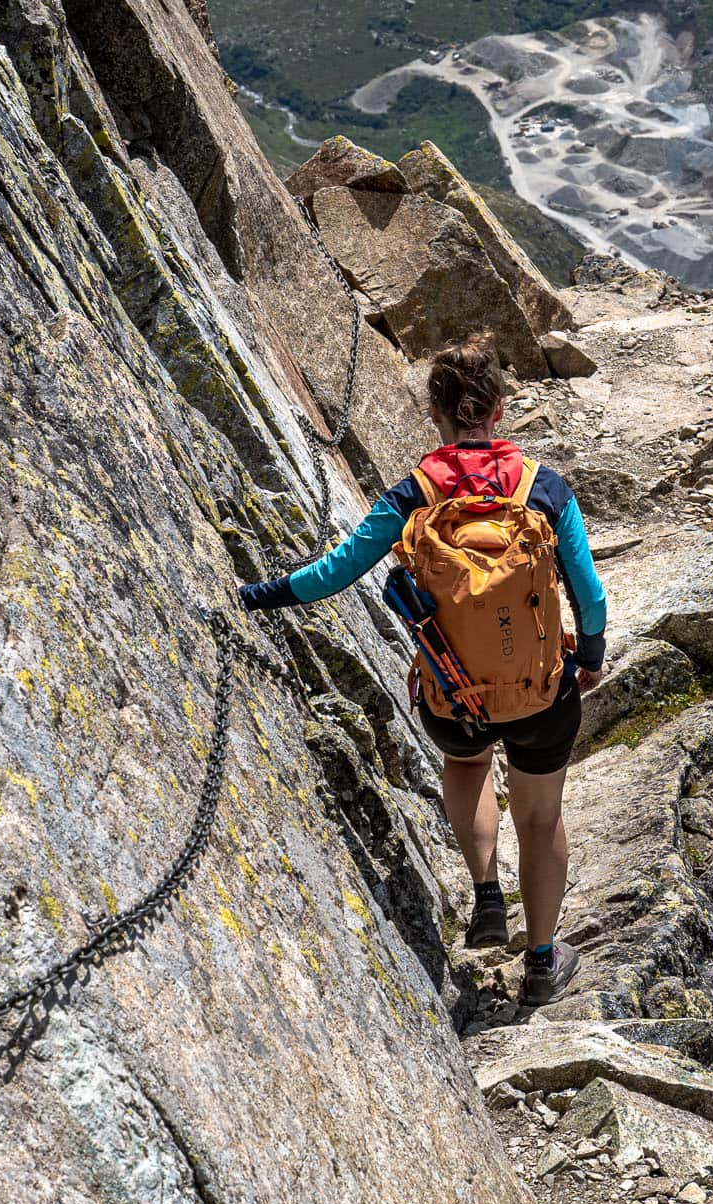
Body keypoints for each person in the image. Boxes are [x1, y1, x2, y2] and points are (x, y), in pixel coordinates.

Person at [238, 339, 606, 1006]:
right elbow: (590, 594)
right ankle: (544, 962)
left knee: (468, 766)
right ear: (499, 409)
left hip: (455, 697)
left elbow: (335, 572)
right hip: (542, 695)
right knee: (542, 815)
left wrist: (258, 595)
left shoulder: (415, 494)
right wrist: (589, 657)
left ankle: (488, 891)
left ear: (433, 411)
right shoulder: (545, 489)